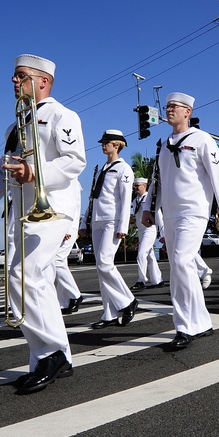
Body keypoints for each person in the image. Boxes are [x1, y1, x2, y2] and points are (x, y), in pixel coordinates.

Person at [0, 54, 85, 394]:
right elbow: (0, 175)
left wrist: (34, 171)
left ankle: (53, 353)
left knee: (24, 277)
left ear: (43, 81)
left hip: (52, 210)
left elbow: (75, 161)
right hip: (21, 214)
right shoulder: (13, 127)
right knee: (37, 284)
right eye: (14, 77)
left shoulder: (63, 115)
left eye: (20, 76)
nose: (13, 82)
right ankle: (49, 357)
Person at [141, 92, 219, 350]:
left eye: (174, 106)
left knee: (183, 262)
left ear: (188, 112)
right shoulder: (163, 143)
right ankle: (202, 322)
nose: (169, 109)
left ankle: (184, 327)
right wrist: (150, 209)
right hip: (170, 213)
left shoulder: (201, 139)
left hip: (194, 210)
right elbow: (157, 180)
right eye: (168, 106)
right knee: (180, 267)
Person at [80, 129, 137, 329]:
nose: (103, 145)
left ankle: (127, 300)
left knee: (105, 263)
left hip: (113, 221)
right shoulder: (101, 169)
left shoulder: (124, 169)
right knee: (101, 268)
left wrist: (123, 226)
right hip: (97, 220)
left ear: (117, 145)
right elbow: (93, 198)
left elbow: (125, 200)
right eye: (103, 142)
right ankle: (109, 313)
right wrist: (83, 222)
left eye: (107, 142)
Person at [131, 177, 164, 292]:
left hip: (150, 229)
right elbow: (135, 216)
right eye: (135, 186)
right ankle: (157, 280)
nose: (135, 188)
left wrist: (163, 232)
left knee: (141, 253)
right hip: (140, 230)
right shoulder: (135, 201)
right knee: (150, 256)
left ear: (144, 186)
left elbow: (158, 215)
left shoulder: (149, 199)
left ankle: (141, 280)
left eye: (138, 185)